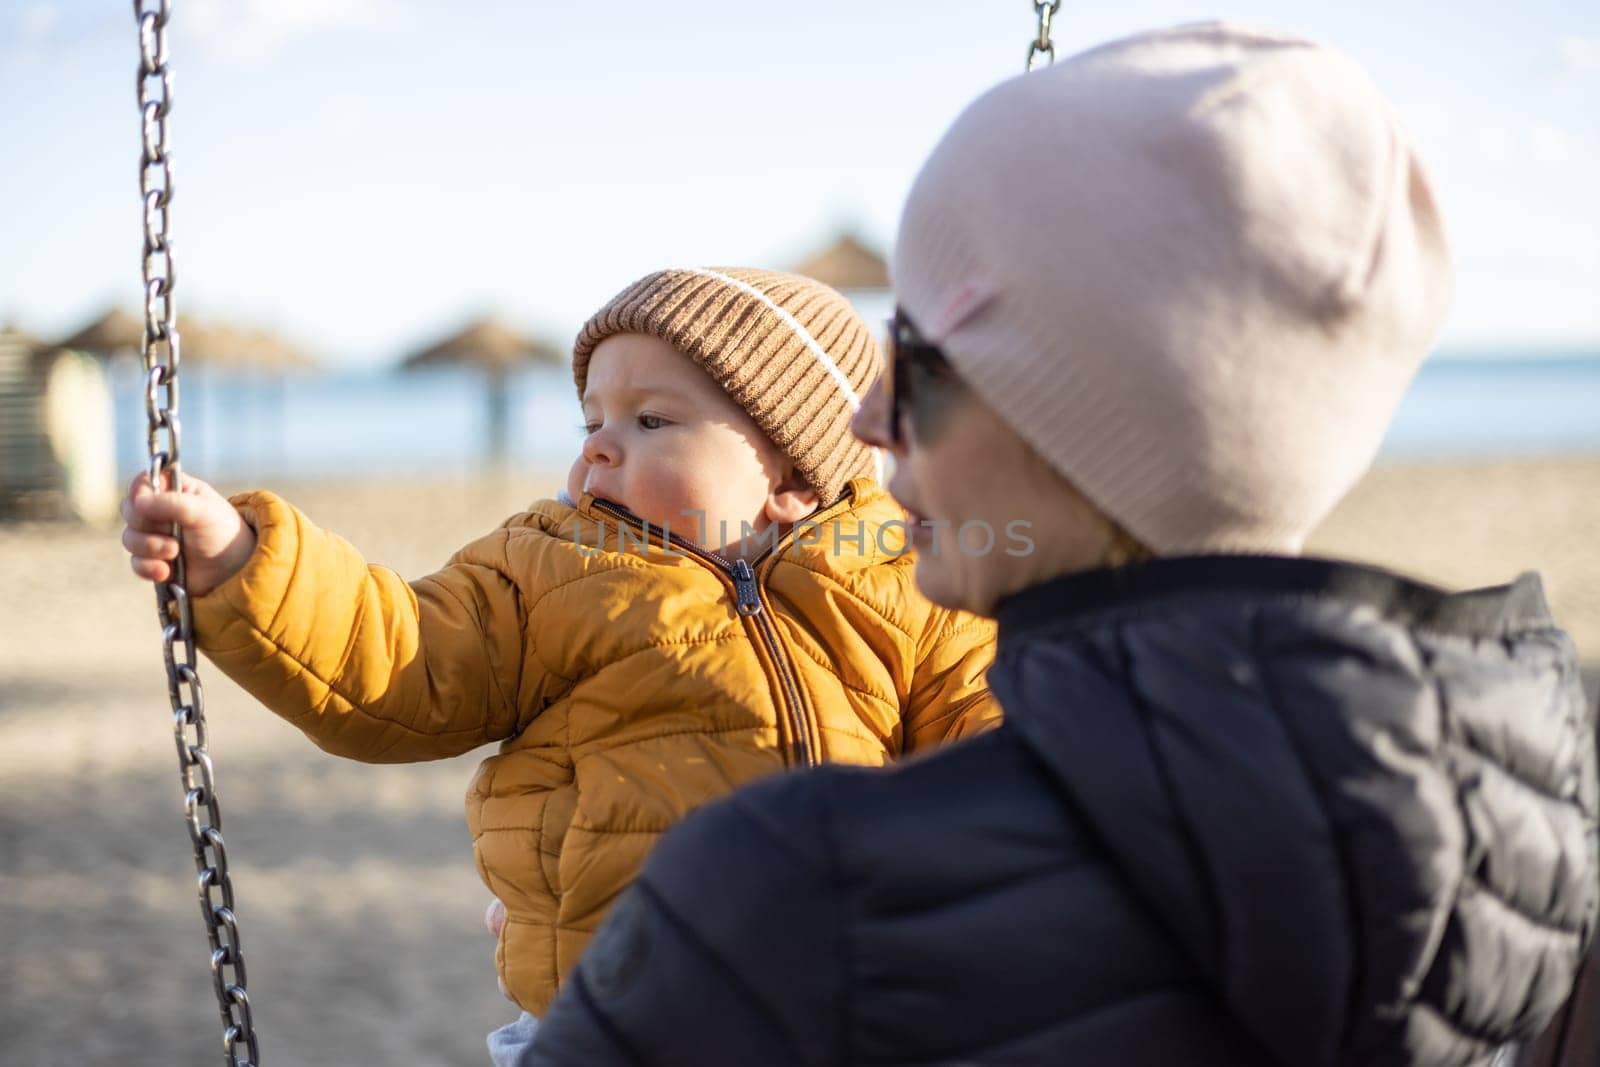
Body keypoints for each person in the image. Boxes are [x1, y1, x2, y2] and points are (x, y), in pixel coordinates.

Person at [520, 23, 1600, 1067]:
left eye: (925, 358)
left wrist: (635, 978)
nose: (867, 414)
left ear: (1100, 412)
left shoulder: (788, 884)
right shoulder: (1531, 841)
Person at [119, 268, 1001, 1059]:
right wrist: (242, 562)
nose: (599, 447)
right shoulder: (551, 566)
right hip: (615, 1007)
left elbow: (990, 731)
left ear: (793, 474)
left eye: (651, 420)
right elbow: (402, 655)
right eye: (592, 421)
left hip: (851, 1001)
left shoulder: (903, 576)